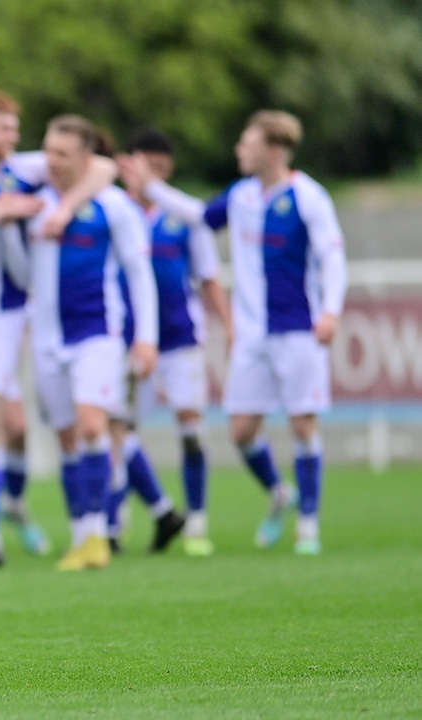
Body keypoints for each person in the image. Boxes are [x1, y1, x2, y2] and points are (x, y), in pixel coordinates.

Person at [127, 110, 347, 555]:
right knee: (241, 431)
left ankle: (308, 525)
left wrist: (331, 311)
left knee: (303, 425)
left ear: (271, 149)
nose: (238, 150)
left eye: (246, 142)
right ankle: (279, 493)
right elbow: (198, 214)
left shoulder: (308, 197)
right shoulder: (242, 195)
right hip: (251, 336)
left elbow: (332, 256)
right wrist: (150, 188)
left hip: (298, 331)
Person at [0, 86, 116, 568]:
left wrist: (67, 206)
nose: (14, 136)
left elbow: (104, 168)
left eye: (15, 128)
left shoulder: (18, 169)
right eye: (4, 127)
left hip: (0, 312)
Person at [20, 115, 159, 572]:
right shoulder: (34, 201)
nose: (52, 161)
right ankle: (81, 536)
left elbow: (139, 273)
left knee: (93, 426)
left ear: (85, 157)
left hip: (98, 334)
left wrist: (147, 338)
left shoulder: (114, 206)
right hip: (47, 339)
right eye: (48, 151)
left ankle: (100, 532)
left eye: (62, 154)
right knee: (66, 438)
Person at [105, 127, 235, 557]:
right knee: (120, 430)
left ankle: (195, 521)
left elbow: (208, 277)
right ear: (129, 165)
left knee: (191, 427)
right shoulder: (111, 209)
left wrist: (229, 325)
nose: (150, 177)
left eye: (160, 170)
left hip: (180, 337)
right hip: (126, 338)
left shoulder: (181, 215)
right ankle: (116, 522)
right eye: (145, 167)